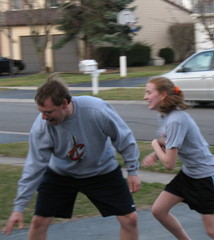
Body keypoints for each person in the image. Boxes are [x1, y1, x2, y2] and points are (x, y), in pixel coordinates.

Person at [3, 74, 141, 240]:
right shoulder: (42, 127)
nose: (44, 117)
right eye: (41, 112)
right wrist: (19, 207)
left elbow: (123, 137)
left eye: (48, 112)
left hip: (102, 171)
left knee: (130, 219)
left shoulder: (96, 110)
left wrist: (132, 169)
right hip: (61, 174)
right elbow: (34, 167)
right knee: (39, 221)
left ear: (65, 103)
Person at [142, 76, 214, 240]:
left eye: (149, 92)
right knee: (159, 210)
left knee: (213, 231)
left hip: (206, 176)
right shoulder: (164, 115)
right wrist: (155, 153)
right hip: (189, 174)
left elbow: (169, 164)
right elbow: (168, 141)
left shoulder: (176, 120)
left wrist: (154, 146)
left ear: (163, 94)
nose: (145, 97)